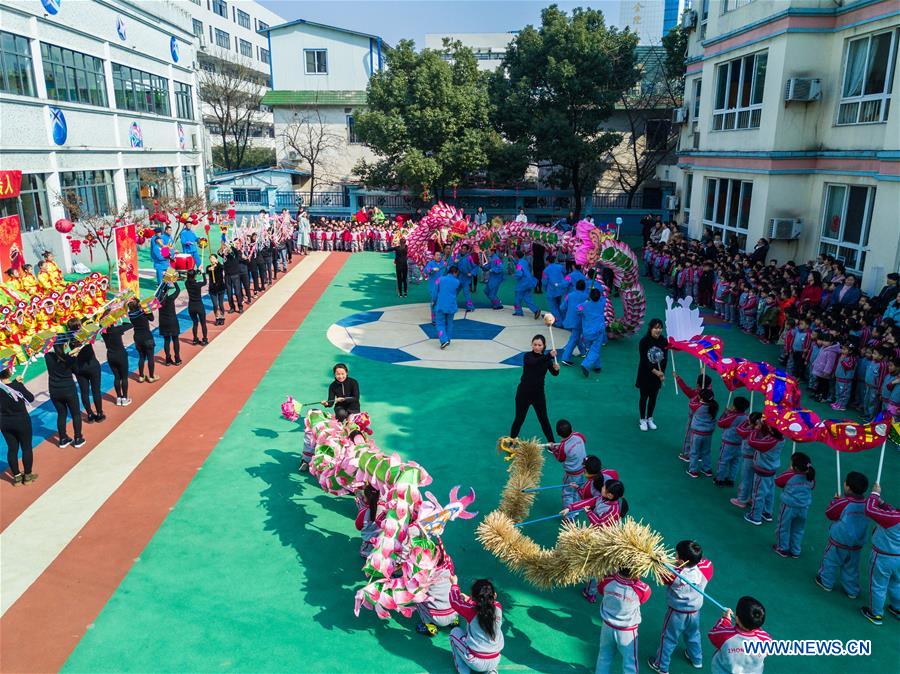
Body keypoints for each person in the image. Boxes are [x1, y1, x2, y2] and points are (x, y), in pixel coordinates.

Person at [648, 540, 714, 673]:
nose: (675, 557)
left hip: (676, 613)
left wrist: (660, 560)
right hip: (695, 611)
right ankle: (697, 659)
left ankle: (661, 665)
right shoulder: (707, 566)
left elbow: (661, 574)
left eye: (676, 555)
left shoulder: (673, 573)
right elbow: (704, 561)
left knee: (668, 638)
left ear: (682, 560)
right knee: (694, 635)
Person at [816, 471, 869, 599]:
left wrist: (835, 501)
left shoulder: (844, 502)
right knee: (852, 568)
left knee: (830, 561)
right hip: (856, 544)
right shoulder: (868, 503)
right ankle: (852, 590)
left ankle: (826, 582)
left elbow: (830, 513)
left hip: (839, 541)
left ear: (848, 487)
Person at [594, 567, 651, 674]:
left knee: (604, 656)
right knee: (630, 663)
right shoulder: (642, 589)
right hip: (627, 632)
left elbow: (600, 590)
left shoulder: (606, 580)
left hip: (607, 626)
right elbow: (643, 598)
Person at [861, 482, 899, 625]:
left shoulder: (894, 518)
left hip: (883, 557)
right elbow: (891, 511)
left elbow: (869, 510)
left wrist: (875, 494)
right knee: (896, 583)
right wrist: (881, 502)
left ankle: (875, 613)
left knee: (878, 585)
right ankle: (898, 607)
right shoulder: (895, 516)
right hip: (898, 558)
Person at [509, 335, 559, 443]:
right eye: (534, 344)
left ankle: (552, 443)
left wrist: (556, 369)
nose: (536, 347)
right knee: (519, 419)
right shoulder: (527, 356)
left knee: (544, 420)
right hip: (523, 393)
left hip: (538, 395)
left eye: (539, 345)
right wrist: (549, 356)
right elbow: (533, 363)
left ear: (543, 346)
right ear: (531, 345)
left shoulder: (547, 360)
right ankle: (512, 441)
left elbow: (554, 373)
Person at [448, 579, 504, 674]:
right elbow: (484, 606)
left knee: (454, 632)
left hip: (475, 661)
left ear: (473, 597)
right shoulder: (498, 607)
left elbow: (454, 601)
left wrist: (454, 584)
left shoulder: (470, 611)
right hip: (495, 659)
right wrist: (470, 600)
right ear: (494, 595)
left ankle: (464, 671)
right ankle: (492, 671)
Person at [707, 597, 771, 673]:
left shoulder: (725, 635)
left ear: (737, 618)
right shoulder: (766, 639)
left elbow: (713, 633)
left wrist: (725, 619)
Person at [773, 451, 816, 558]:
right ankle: (795, 550)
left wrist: (789, 470)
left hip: (789, 507)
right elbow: (812, 487)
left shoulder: (789, 475)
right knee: (798, 529)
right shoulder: (810, 477)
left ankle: (782, 548)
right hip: (803, 508)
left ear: (795, 467)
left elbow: (778, 481)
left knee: (783, 527)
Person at [44, 342, 85, 448]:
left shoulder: (48, 357)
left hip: (54, 390)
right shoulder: (70, 359)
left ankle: (63, 439)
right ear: (65, 346)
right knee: (76, 414)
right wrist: (74, 356)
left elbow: (58, 357)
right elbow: (77, 370)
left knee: (61, 414)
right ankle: (78, 438)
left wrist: (71, 355)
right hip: (68, 390)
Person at [744, 422, 784, 526]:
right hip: (771, 470)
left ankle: (755, 516)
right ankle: (767, 512)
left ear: (772, 431)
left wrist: (756, 430)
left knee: (758, 494)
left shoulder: (771, 442)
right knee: (770, 492)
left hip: (763, 471)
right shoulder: (780, 439)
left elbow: (751, 442)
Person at [415, 540, 458, 636]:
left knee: (417, 597)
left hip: (436, 617)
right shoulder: (448, 564)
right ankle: (453, 621)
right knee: (451, 587)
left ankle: (429, 625)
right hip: (454, 611)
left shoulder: (426, 572)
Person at [1, 368, 36, 485]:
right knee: (26, 448)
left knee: (12, 449)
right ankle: (27, 476)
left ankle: (16, 477)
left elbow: (6, 389)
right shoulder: (17, 387)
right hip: (21, 421)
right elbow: (30, 398)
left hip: (4, 422)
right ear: (8, 373)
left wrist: (16, 383)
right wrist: (20, 385)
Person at [68, 319, 105, 423]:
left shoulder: (71, 339)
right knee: (96, 390)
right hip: (92, 366)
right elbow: (95, 327)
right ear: (79, 326)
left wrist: (84, 319)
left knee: (84, 392)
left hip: (79, 368)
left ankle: (89, 414)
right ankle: (99, 413)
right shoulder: (86, 335)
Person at [549, 420, 587, 518]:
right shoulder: (579, 436)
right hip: (583, 470)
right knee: (578, 489)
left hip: (572, 474)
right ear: (572, 429)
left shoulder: (563, 446)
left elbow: (560, 458)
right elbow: (583, 440)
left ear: (557, 434)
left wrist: (553, 448)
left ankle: (569, 515)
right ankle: (577, 509)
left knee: (568, 493)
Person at [636, 319, 667, 432]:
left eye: (660, 328)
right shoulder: (644, 341)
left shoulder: (664, 341)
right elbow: (644, 360)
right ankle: (642, 419)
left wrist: (662, 373)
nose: (658, 330)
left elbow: (665, 358)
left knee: (653, 398)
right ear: (650, 328)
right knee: (644, 397)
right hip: (645, 374)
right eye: (656, 328)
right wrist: (656, 371)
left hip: (657, 376)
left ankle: (650, 418)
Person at [713, 396, 750, 486]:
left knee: (723, 461)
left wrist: (725, 413)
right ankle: (731, 479)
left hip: (728, 443)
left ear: (735, 407)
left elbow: (720, 423)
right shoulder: (747, 417)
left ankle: (719, 479)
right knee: (735, 462)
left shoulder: (733, 416)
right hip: (740, 444)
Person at [101, 315, 133, 406]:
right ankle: (125, 398)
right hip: (121, 355)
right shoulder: (117, 329)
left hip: (110, 355)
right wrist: (121, 318)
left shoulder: (103, 332)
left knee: (117, 377)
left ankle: (119, 397)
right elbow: (130, 325)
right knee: (124, 377)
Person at [686, 389, 719, 478]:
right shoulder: (714, 406)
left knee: (694, 451)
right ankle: (707, 469)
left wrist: (697, 396)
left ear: (701, 397)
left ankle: (693, 470)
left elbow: (691, 402)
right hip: (708, 433)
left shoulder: (697, 406)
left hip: (697, 433)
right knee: (706, 451)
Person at [127, 298, 159, 383]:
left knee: (141, 357)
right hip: (147, 337)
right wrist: (147, 309)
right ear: (138, 305)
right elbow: (152, 318)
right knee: (150, 357)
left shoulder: (130, 315)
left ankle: (141, 376)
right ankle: (151, 376)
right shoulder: (143, 313)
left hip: (137, 337)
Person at [579, 287, 607, 378]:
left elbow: (577, 309)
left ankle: (597, 366)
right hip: (598, 331)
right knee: (595, 349)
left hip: (587, 331)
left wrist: (586, 301)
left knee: (591, 348)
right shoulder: (602, 303)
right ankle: (586, 364)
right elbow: (604, 297)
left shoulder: (585, 305)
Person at [433, 266, 461, 349]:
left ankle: (443, 340)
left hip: (441, 305)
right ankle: (448, 339)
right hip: (451, 305)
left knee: (440, 324)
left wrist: (433, 301)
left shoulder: (440, 279)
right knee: (449, 323)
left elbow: (435, 292)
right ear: (455, 273)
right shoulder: (457, 281)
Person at [355, 484, 384, 557]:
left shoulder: (364, 512)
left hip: (369, 542)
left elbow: (358, 527)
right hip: (382, 540)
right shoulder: (385, 509)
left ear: (366, 499)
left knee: (364, 553)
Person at [158, 281, 182, 366]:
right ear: (167, 291)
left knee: (166, 340)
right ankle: (177, 358)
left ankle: (168, 359)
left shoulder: (157, 302)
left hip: (163, 322)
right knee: (175, 339)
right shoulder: (170, 298)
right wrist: (174, 282)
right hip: (172, 321)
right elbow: (178, 290)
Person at [512, 250, 540, 319]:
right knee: (527, 298)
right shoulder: (524, 261)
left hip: (523, 283)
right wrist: (513, 260)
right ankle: (536, 310)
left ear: (517, 256)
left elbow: (519, 273)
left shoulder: (519, 264)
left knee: (517, 298)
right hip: (530, 281)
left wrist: (514, 275)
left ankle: (518, 312)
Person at [185, 269, 208, 345]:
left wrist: (196, 272)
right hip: (199, 305)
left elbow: (190, 278)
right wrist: (203, 273)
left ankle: (195, 339)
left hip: (191, 306)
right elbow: (205, 282)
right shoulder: (197, 284)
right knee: (203, 323)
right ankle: (204, 339)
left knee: (195, 323)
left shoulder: (186, 283)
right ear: (195, 276)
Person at [542, 254, 567, 322]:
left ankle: (559, 322)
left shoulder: (546, 270)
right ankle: (562, 319)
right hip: (560, 289)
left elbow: (544, 281)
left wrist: (545, 288)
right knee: (559, 305)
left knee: (553, 307)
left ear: (547, 261)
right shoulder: (560, 267)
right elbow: (565, 272)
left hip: (551, 290)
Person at [206, 253, 226, 326]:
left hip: (220, 287)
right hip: (212, 289)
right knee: (215, 305)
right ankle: (217, 318)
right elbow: (207, 270)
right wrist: (211, 268)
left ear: (216, 259)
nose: (212, 259)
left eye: (213, 258)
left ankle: (222, 317)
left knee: (221, 304)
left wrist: (217, 264)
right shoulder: (209, 267)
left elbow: (221, 268)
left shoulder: (220, 266)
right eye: (211, 258)